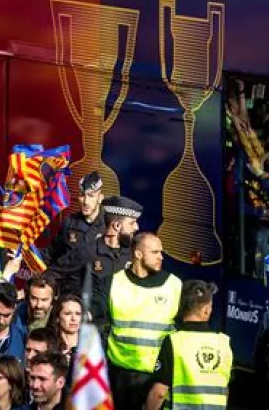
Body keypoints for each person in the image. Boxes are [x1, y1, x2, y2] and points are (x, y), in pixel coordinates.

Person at [107, 231, 182, 410]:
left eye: (161, 252)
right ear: (138, 254)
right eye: (155, 252)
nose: (161, 257)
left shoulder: (174, 285)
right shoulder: (115, 282)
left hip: (156, 376)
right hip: (120, 374)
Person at [55, 195, 141, 326]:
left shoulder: (133, 255)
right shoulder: (87, 251)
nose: (136, 227)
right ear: (117, 226)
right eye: (132, 223)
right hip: (91, 330)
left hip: (121, 331)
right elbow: (56, 272)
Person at [146, 280, 232, 410]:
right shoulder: (224, 343)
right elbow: (224, 390)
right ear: (207, 309)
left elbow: (159, 392)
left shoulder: (173, 342)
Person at [50, 171, 106, 264]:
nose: (86, 201)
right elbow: (52, 252)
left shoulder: (109, 225)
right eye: (82, 195)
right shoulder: (69, 222)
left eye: (91, 196)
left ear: (100, 198)